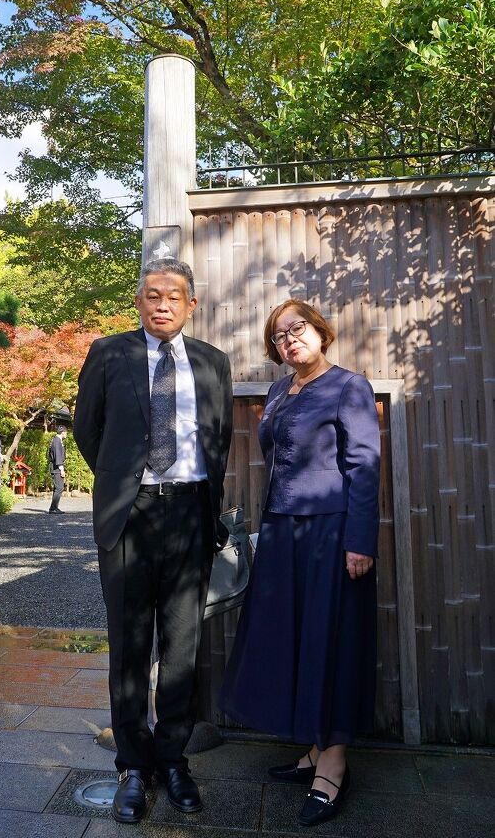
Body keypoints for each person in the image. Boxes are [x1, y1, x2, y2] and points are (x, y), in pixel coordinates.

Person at [73, 258, 233, 824]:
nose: (161, 304)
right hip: (130, 517)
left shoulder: (214, 363)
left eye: (173, 296)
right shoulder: (109, 353)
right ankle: (132, 765)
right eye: (151, 295)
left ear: (192, 304)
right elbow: (85, 429)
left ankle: (173, 760)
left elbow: (220, 440)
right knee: (130, 641)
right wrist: (121, 478)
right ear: (138, 302)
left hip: (190, 512)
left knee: (183, 642)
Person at [219, 299, 380, 828]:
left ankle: (333, 763)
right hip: (283, 531)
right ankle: (313, 747)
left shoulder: (347, 386)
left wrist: (359, 540)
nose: (290, 339)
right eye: (280, 335)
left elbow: (362, 465)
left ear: (320, 331)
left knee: (330, 641)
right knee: (293, 639)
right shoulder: (276, 391)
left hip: (331, 534)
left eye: (298, 328)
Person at [47, 426, 67, 514]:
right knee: (59, 488)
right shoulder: (57, 441)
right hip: (56, 468)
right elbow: (58, 456)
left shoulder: (55, 440)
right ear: (62, 432)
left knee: (57, 488)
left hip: (55, 467)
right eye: (66, 433)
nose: (66, 434)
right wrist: (61, 469)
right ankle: (53, 508)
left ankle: (54, 508)